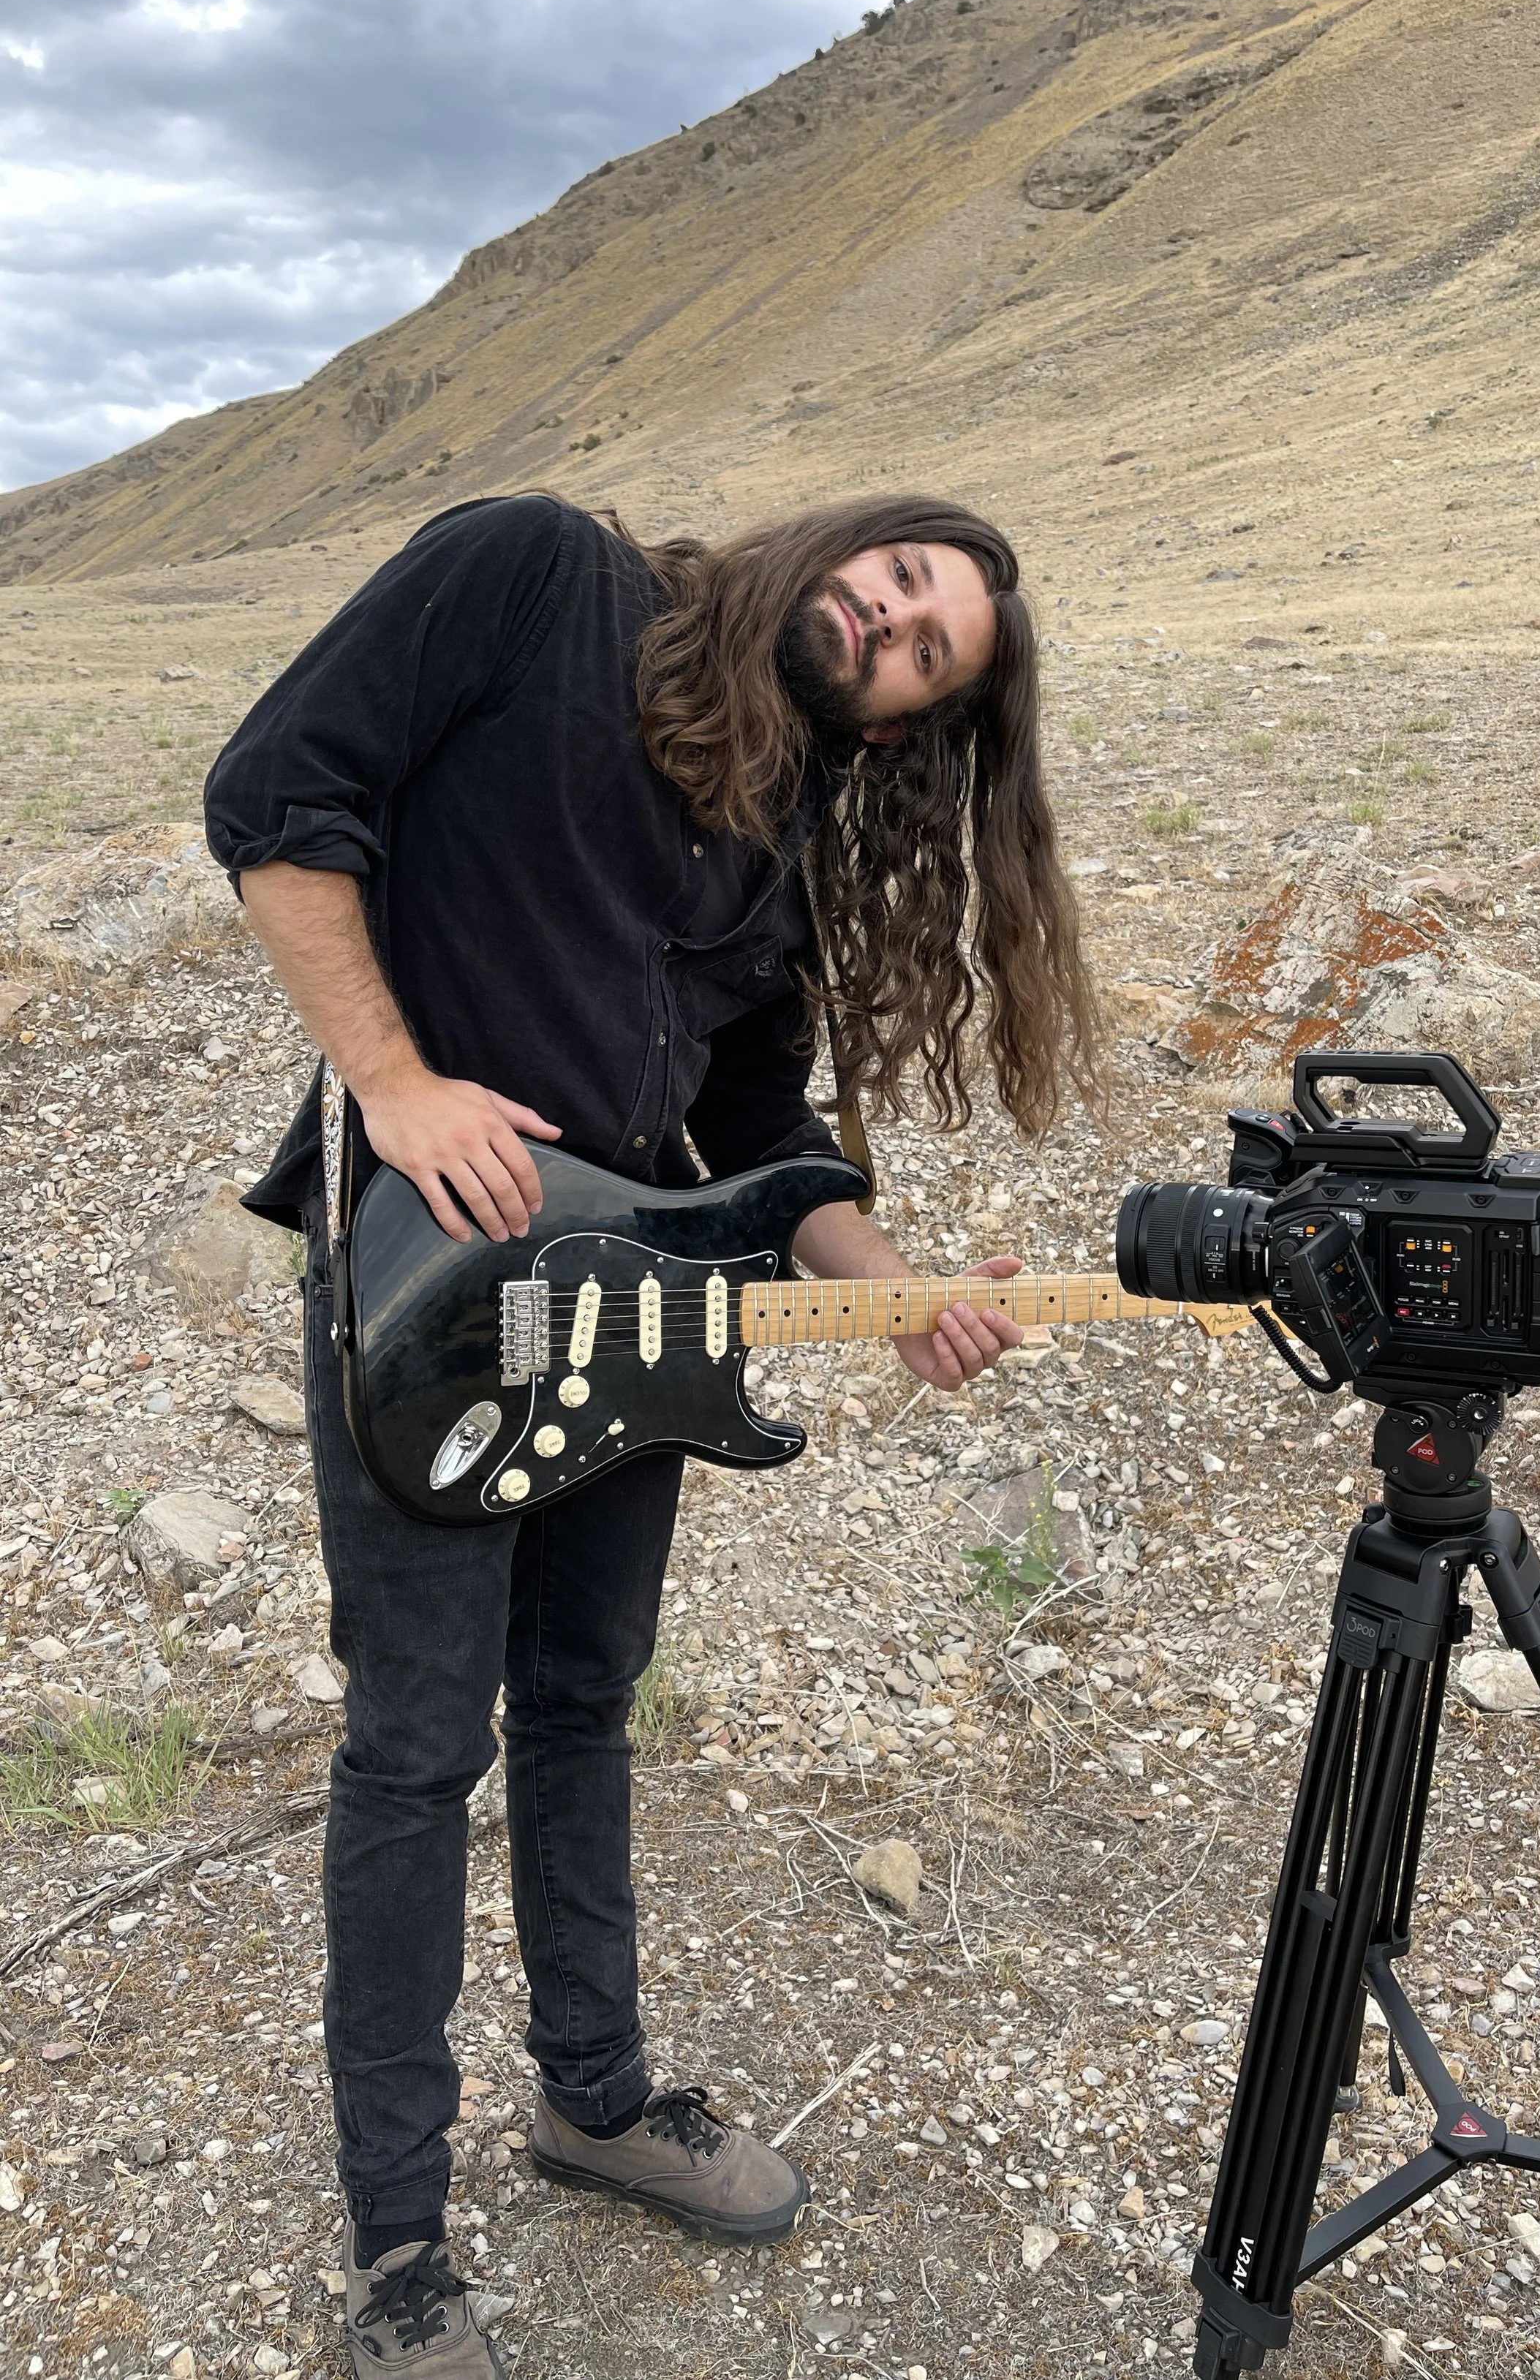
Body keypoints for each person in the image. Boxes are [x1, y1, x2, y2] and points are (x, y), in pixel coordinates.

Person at [204, 489, 1097, 2372]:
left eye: (927, 650)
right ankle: (396, 2246)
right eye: (903, 578)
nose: (887, 618)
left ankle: (593, 2099)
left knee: (588, 1697)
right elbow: (279, 796)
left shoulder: (778, 830)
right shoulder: (537, 575)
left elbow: (760, 1129)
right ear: (855, 540)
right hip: (425, 1278)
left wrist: (893, 1285)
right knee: (414, 1743)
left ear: (903, 727)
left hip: (632, 1314)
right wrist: (395, 1082)